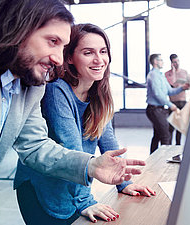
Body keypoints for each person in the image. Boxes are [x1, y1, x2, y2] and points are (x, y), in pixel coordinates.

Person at [0, 1, 145, 224]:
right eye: (52, 41)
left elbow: (35, 145)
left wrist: (91, 165)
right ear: (18, 28)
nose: (59, 58)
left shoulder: (29, 79)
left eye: (63, 46)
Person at [14, 23, 156, 225]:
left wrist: (124, 182)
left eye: (103, 51)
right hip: (43, 189)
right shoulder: (57, 91)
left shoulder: (98, 92)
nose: (99, 60)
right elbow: (71, 146)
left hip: (72, 187)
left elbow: (109, 143)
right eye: (88, 53)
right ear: (69, 57)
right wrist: (85, 201)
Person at [146, 54, 189, 154]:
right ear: (155, 62)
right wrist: (171, 105)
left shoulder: (160, 75)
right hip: (154, 109)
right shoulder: (153, 75)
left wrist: (182, 88)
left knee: (157, 135)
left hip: (160, 109)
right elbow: (158, 94)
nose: (163, 62)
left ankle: (152, 158)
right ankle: (165, 160)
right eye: (161, 60)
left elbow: (170, 91)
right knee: (166, 135)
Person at [165, 54, 188, 145]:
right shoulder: (167, 74)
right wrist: (174, 72)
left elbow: (188, 86)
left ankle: (178, 146)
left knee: (180, 127)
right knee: (171, 128)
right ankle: (169, 147)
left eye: (178, 61)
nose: (177, 63)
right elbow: (172, 85)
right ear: (171, 63)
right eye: (174, 62)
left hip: (182, 102)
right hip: (173, 103)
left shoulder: (184, 72)